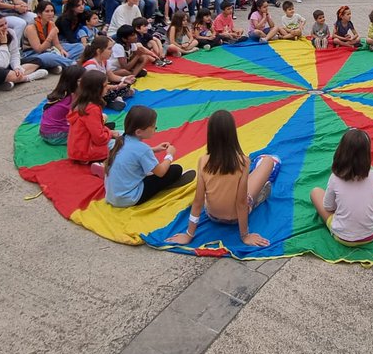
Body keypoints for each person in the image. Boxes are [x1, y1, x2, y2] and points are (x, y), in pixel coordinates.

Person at [166, 109, 277, 248]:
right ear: (233, 134)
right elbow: (241, 203)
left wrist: (189, 234)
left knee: (223, 187)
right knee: (268, 161)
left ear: (210, 135)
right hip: (236, 217)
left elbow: (198, 202)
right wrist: (245, 236)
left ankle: (256, 190)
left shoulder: (203, 161)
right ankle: (258, 198)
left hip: (212, 214)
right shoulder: (243, 162)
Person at [103, 105, 194, 207]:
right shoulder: (142, 149)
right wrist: (169, 155)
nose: (155, 128)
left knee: (148, 168)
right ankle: (168, 184)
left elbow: (132, 154)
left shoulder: (121, 138)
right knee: (175, 170)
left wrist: (155, 149)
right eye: (153, 126)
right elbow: (160, 172)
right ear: (139, 132)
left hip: (112, 196)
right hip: (128, 198)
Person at [309, 128, 373, 247]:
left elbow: (328, 206)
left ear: (341, 152)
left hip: (342, 237)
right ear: (367, 155)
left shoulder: (335, 178)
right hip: (370, 235)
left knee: (315, 192)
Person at [0, 15, 47, 90]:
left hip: (6, 65)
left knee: (36, 61)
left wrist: (17, 68)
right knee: (8, 74)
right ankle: (28, 77)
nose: (5, 27)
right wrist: (3, 44)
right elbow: (1, 65)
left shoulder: (10, 33)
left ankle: (6, 82)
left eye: (6, 23)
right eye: (1, 26)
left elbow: (14, 54)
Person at [67, 71, 117, 169]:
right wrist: (110, 133)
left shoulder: (80, 102)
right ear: (96, 89)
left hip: (77, 149)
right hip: (86, 151)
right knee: (124, 142)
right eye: (105, 85)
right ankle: (104, 165)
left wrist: (108, 131)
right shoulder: (92, 109)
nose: (108, 87)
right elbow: (99, 139)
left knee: (120, 133)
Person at [23, 1, 83, 70]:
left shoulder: (51, 24)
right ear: (39, 14)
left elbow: (56, 43)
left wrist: (61, 50)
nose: (50, 14)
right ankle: (72, 64)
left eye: (52, 11)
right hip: (33, 54)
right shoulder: (31, 28)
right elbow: (39, 49)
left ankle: (56, 63)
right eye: (47, 11)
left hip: (50, 49)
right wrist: (51, 35)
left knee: (80, 47)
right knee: (49, 56)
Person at [40, 65, 85, 145]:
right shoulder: (72, 99)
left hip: (44, 132)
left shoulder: (61, 93)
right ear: (74, 82)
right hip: (55, 136)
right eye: (83, 80)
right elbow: (83, 117)